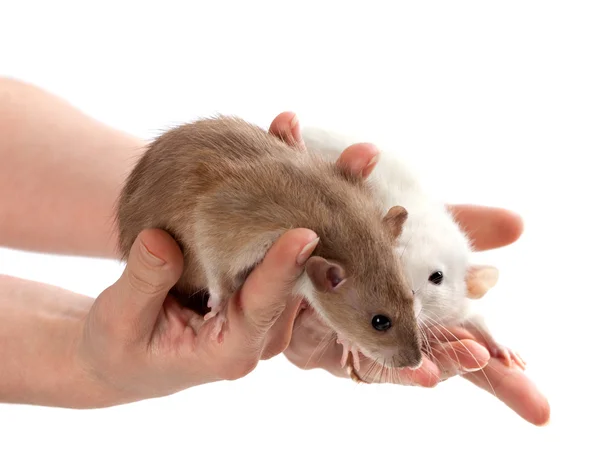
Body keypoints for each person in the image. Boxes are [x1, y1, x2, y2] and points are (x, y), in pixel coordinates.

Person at [0, 77, 549, 424]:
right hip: (202, 206)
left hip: (214, 186)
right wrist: (82, 357)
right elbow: (216, 218)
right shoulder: (321, 265)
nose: (406, 349)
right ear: (329, 276)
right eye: (383, 323)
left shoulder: (352, 232)